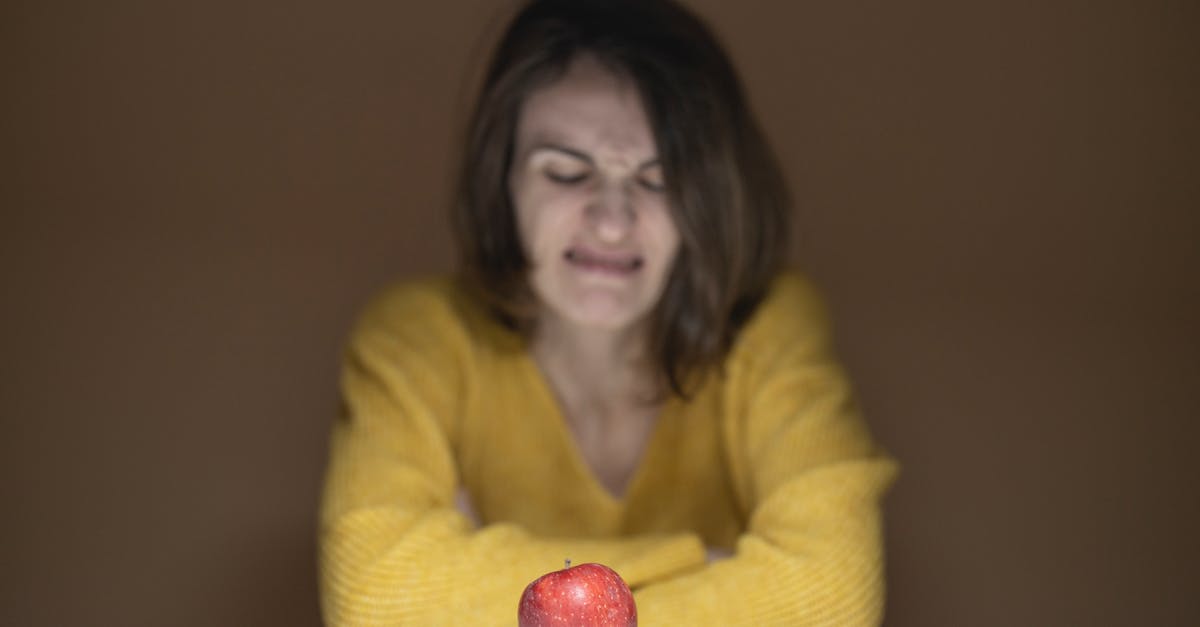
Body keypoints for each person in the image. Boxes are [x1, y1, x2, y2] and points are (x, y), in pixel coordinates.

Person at [318, 0, 897, 624]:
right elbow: (375, 597)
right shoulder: (416, 336)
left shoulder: (770, 323)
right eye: (567, 173)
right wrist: (706, 566)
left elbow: (834, 599)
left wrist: (480, 577)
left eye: (658, 180)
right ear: (501, 179)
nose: (613, 223)